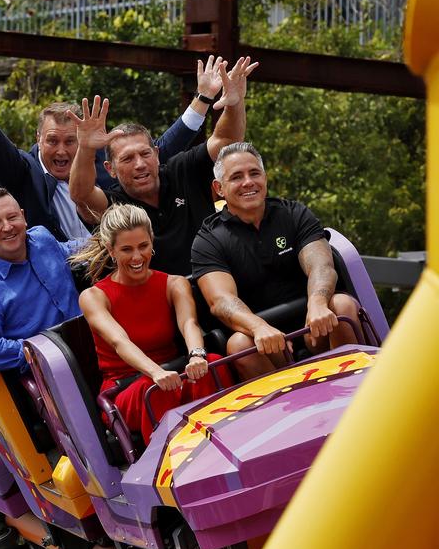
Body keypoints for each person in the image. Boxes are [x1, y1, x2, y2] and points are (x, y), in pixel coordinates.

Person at [0, 43, 223, 241]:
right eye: (53, 141)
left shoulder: (101, 161)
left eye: (72, 141)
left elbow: (162, 149)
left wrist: (204, 98)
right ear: (38, 139)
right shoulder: (23, 171)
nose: (63, 150)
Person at [66, 57, 258, 276]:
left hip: (215, 284)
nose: (139, 164)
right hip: (156, 302)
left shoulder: (182, 169)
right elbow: (81, 196)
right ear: (110, 169)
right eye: (128, 159)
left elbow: (226, 142)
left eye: (145, 154)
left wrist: (234, 103)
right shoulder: (114, 206)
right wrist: (86, 148)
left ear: (157, 155)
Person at [192, 142, 361, 380]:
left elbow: (322, 266)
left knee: (342, 304)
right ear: (219, 188)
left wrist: (318, 303)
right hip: (266, 346)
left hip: (314, 328)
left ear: (265, 177)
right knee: (239, 344)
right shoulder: (208, 239)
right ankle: (286, 408)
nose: (248, 182)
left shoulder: (293, 213)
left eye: (254, 173)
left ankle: (356, 385)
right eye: (237, 177)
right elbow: (221, 301)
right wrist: (258, 327)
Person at [73, 204, 225, 444]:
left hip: (173, 373)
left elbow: (189, 323)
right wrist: (156, 372)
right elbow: (119, 341)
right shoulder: (94, 297)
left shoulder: (174, 284)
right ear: (111, 250)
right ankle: (174, 464)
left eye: (143, 246)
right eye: (126, 249)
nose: (137, 257)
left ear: (152, 242)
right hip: (128, 386)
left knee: (213, 365)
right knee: (155, 390)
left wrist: (197, 355)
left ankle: (227, 439)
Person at [0, 187, 82, 372]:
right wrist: (42, 350)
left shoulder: (41, 239)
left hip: (93, 340)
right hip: (51, 371)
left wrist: (110, 239)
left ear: (23, 217)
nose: (7, 227)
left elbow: (73, 250)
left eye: (12, 217)